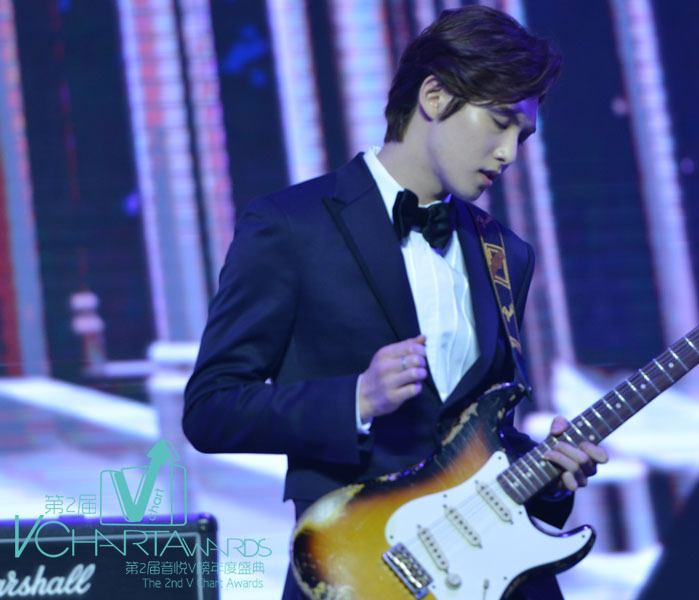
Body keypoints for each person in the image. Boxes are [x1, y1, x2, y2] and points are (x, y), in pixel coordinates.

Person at [183, 6, 608, 599]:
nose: (510, 152)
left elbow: (484, 441)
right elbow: (210, 408)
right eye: (500, 123)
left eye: (523, 136)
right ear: (435, 96)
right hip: (359, 572)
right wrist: (355, 398)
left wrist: (550, 478)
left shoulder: (507, 252)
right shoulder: (290, 225)